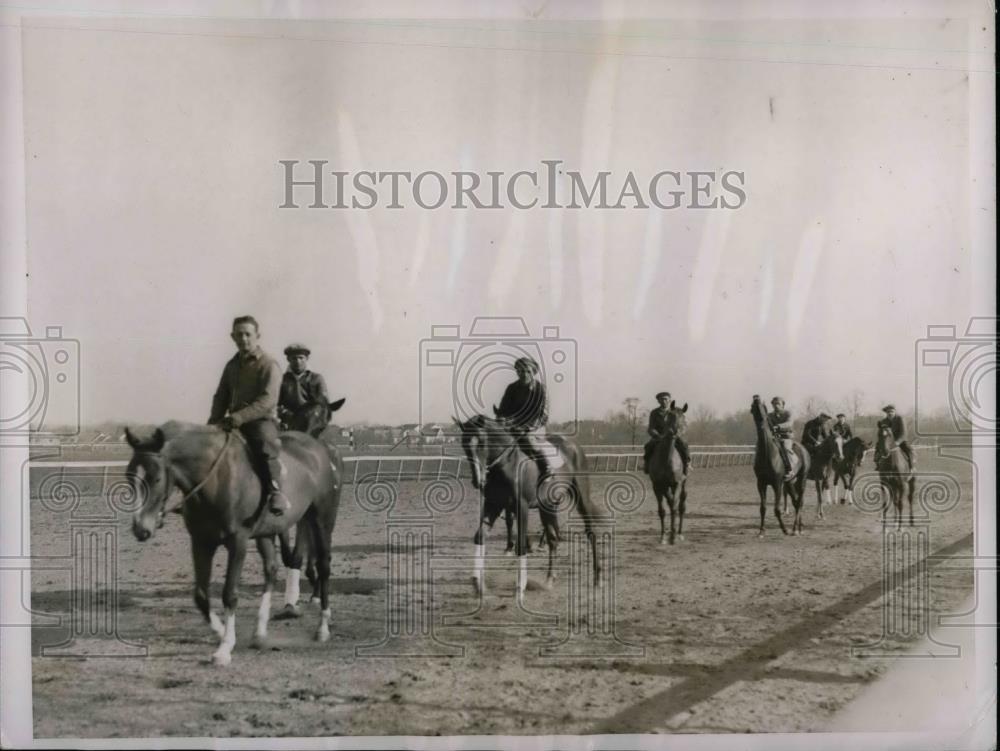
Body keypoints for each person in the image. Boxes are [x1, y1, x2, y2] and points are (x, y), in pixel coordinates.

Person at [208, 315, 289, 515]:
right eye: (239, 335)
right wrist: (212, 424)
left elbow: (267, 400)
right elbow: (221, 397)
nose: (243, 339)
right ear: (232, 337)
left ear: (257, 336)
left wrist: (239, 417)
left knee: (264, 445)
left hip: (260, 421)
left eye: (247, 334)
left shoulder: (269, 364)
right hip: (233, 421)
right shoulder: (231, 366)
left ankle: (275, 491)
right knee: (207, 447)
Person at [495, 357, 551, 484]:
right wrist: (502, 419)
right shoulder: (511, 388)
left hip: (535, 427)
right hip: (514, 426)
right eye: (520, 371)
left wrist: (529, 427)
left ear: (533, 372)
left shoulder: (541, 389)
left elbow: (543, 414)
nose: (523, 374)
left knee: (528, 439)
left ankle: (546, 467)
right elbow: (504, 409)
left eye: (527, 371)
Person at [278, 343, 331, 433]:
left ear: (307, 358)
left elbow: (323, 404)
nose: (298, 361)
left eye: (301, 357)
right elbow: (275, 403)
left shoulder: (316, 378)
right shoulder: (281, 379)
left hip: (311, 424)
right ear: (288, 359)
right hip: (288, 424)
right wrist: (284, 413)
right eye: (294, 358)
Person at [643, 391, 691, 475]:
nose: (664, 401)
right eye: (661, 399)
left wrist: (678, 434)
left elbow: (683, 426)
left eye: (666, 399)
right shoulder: (654, 413)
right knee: (648, 446)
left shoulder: (675, 411)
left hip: (673, 436)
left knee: (684, 445)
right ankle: (647, 464)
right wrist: (657, 435)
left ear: (669, 400)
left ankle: (686, 464)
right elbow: (651, 428)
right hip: (659, 436)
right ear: (658, 401)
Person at [875, 404, 914, 469]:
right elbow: (882, 432)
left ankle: (911, 466)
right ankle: (878, 464)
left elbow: (904, 433)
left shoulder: (900, 419)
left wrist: (897, 442)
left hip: (900, 440)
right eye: (888, 412)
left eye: (892, 411)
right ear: (886, 413)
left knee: (908, 449)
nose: (890, 413)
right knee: (878, 447)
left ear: (895, 412)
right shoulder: (883, 421)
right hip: (888, 440)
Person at [767, 396, 796, 481]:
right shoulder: (769, 415)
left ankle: (790, 470)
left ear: (783, 405)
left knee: (786, 449)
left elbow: (789, 423)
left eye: (778, 404)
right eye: (774, 404)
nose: (776, 405)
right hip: (774, 437)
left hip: (786, 436)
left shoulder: (788, 413)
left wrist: (778, 426)